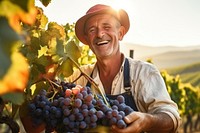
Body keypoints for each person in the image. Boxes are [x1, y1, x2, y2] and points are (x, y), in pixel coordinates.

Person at [69, 4, 181, 133]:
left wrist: (147, 121)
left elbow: (170, 117)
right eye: (92, 30)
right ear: (88, 40)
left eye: (107, 27)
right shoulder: (78, 76)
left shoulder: (144, 73)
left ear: (120, 33)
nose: (100, 34)